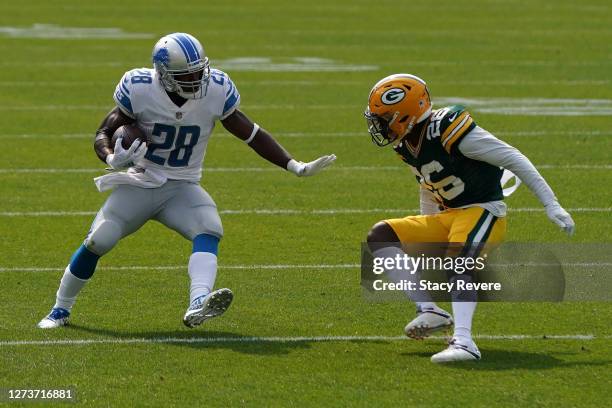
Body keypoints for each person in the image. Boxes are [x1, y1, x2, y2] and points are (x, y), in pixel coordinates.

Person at [38, 32, 336, 329]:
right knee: (100, 239)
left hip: (182, 186)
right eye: (186, 74)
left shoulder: (216, 89)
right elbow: (103, 133)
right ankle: (59, 310)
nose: (196, 79)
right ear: (163, 74)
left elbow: (251, 133)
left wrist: (294, 165)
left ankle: (198, 303)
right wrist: (111, 158)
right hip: (141, 182)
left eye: (198, 70)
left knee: (209, 227)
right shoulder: (139, 87)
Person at [364, 74, 574, 363]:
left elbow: (512, 157)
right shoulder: (405, 145)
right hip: (450, 215)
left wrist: (551, 204)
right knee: (381, 235)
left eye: (385, 118)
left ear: (406, 113)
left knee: (458, 259)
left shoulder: (447, 128)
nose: (380, 125)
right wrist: (430, 228)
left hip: (483, 210)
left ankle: (464, 342)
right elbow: (428, 185)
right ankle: (430, 310)